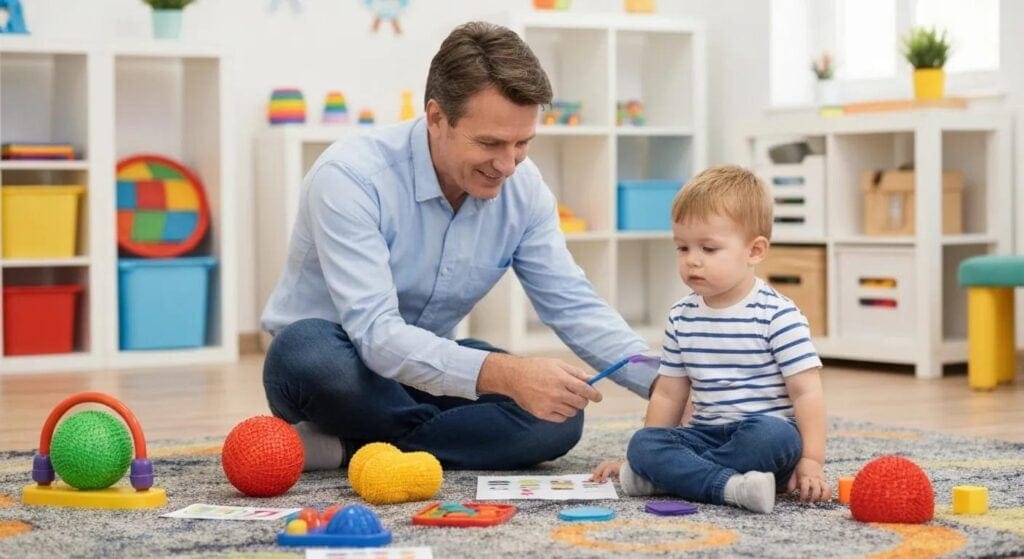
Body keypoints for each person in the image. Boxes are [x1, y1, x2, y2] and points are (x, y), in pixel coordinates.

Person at [260, 21, 658, 472]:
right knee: (306, 353)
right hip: (339, 369)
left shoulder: (523, 190)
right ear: (436, 117)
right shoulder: (351, 177)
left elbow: (575, 306)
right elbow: (377, 336)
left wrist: (663, 384)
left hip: (422, 374)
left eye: (522, 143)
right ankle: (446, 437)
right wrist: (504, 375)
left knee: (559, 415)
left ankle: (347, 449)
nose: (507, 165)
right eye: (489, 143)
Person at [591, 165, 830, 513]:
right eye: (683, 248)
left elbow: (807, 392)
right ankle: (732, 487)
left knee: (773, 436)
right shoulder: (681, 315)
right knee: (643, 444)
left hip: (760, 438)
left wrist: (811, 460)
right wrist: (646, 452)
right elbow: (670, 394)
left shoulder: (778, 315)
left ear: (755, 251)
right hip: (704, 435)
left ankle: (674, 476)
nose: (692, 261)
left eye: (708, 249)